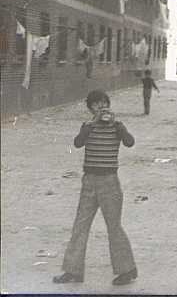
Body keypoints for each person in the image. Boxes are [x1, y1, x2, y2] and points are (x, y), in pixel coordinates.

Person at [53, 90, 137, 287]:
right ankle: (73, 271)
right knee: (80, 225)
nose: (101, 107)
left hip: (110, 181)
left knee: (114, 226)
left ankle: (127, 270)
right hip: (89, 181)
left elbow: (130, 142)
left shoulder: (117, 126)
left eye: (104, 103)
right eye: (96, 105)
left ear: (109, 105)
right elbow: (78, 143)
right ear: (90, 108)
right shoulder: (87, 126)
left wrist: (119, 127)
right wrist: (90, 125)